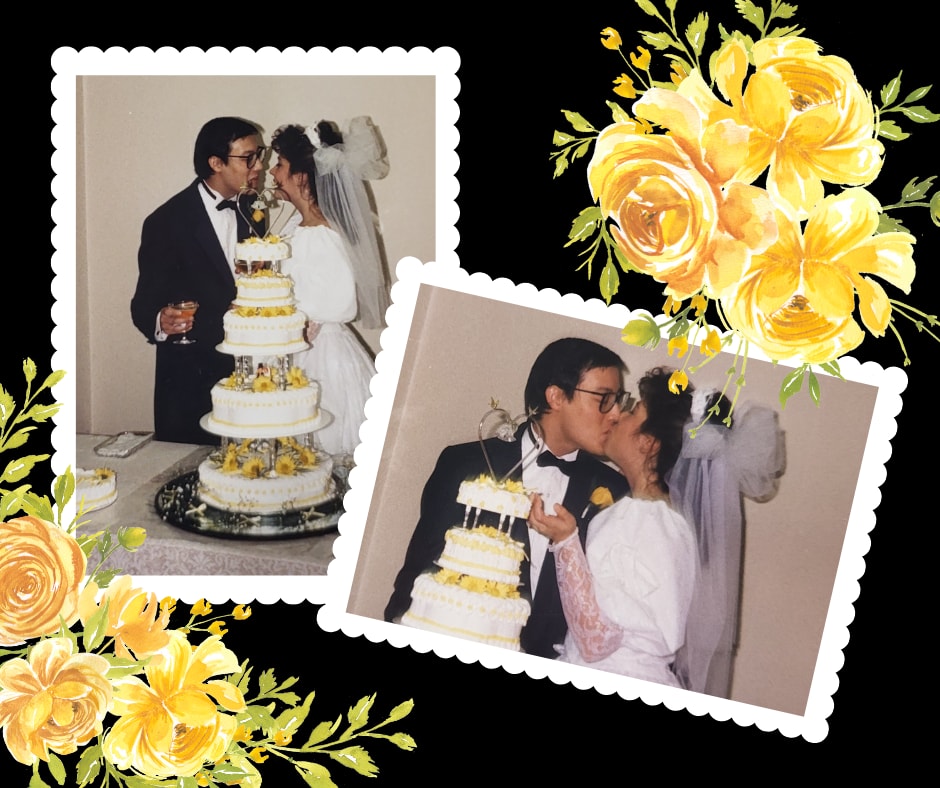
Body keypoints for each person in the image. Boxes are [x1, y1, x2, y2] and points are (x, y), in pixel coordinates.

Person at [385, 338, 632, 659]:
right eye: (604, 399)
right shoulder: (466, 463)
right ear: (556, 396)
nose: (616, 414)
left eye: (618, 400)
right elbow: (418, 572)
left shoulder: (615, 491)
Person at [528, 366, 697, 686]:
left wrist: (565, 542)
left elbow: (596, 642)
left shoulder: (636, 519)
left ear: (648, 443)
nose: (617, 415)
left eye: (634, 410)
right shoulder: (671, 523)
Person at [130, 116, 266, 444]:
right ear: (216, 163)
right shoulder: (167, 221)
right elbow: (143, 305)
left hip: (247, 379)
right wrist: (161, 320)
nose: (259, 166)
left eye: (259, 155)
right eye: (249, 157)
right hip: (191, 383)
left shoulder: (253, 209)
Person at [269, 123, 377, 462]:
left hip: (321, 357)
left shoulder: (322, 233)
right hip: (299, 350)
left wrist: (304, 320)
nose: (273, 173)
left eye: (280, 165)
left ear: (301, 176)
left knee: (317, 450)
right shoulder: (297, 226)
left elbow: (339, 299)